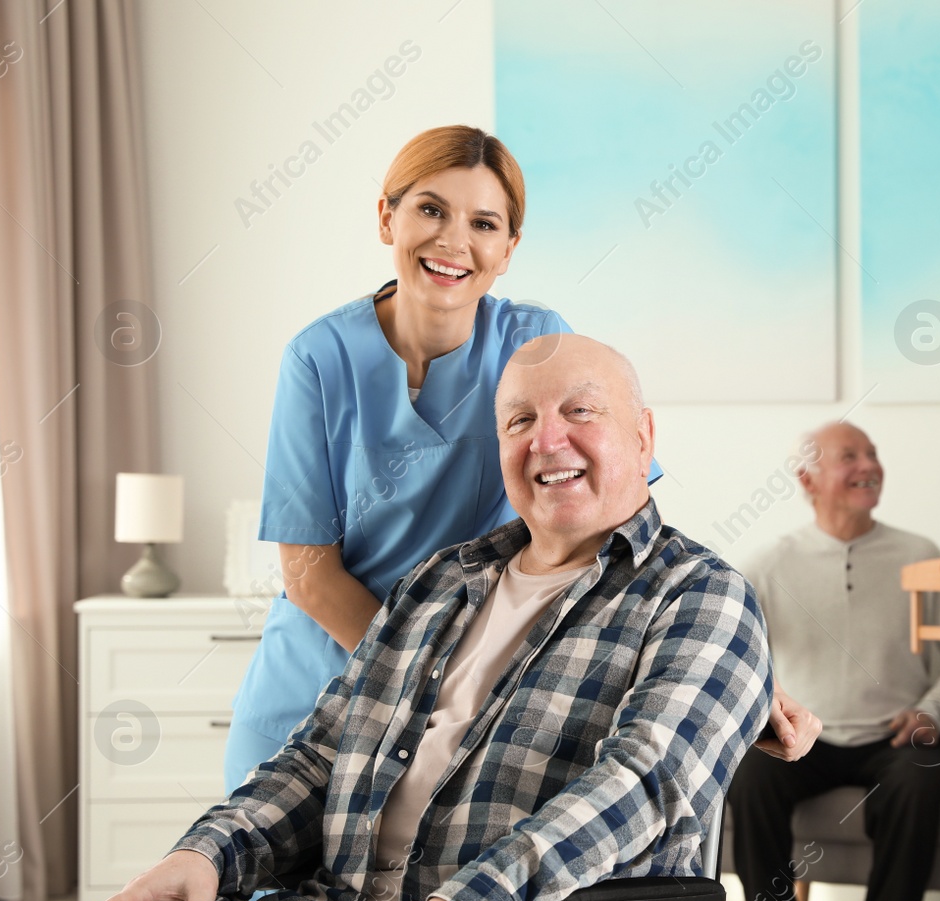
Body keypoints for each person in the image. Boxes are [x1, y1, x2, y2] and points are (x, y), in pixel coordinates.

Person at [51, 336, 815, 901]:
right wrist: (208, 847)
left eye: (580, 412)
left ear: (644, 437)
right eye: (520, 419)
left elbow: (642, 784)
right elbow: (324, 750)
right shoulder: (440, 581)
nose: (547, 440)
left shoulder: (700, 595)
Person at [223, 124, 670, 791]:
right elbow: (310, 576)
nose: (454, 241)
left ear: (509, 249)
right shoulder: (318, 358)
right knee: (251, 889)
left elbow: (622, 512)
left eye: (484, 223)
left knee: (425, 896)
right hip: (319, 693)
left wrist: (713, 652)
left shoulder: (536, 343)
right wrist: (431, 679)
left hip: (459, 711)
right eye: (431, 209)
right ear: (387, 217)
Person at [729, 421, 940, 901]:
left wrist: (934, 707)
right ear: (808, 479)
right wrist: (772, 712)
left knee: (918, 777)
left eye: (872, 453)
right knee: (749, 775)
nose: (867, 464)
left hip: (899, 735)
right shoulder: (769, 563)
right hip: (808, 736)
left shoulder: (920, 555)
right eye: (848, 456)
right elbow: (735, 658)